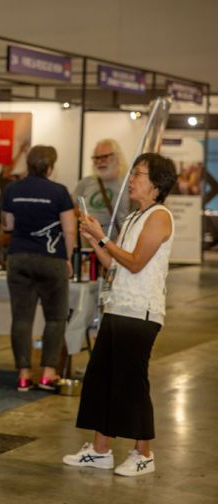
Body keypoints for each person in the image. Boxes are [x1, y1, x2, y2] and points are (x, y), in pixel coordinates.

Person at [63, 153, 177, 477]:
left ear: (156, 185)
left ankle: (144, 453)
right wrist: (94, 240)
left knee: (130, 383)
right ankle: (100, 449)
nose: (132, 180)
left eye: (139, 175)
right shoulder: (133, 218)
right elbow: (116, 264)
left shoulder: (160, 216)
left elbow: (137, 262)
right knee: (101, 379)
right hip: (117, 307)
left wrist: (102, 237)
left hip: (140, 313)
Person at [1, 145, 76, 392]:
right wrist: (68, 258)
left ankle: (23, 375)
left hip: (19, 257)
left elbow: (8, 225)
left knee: (22, 318)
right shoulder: (59, 192)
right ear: (50, 166)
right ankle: (48, 374)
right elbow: (69, 229)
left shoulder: (12, 190)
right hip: (51, 259)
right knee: (55, 317)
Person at [73, 139, 130, 242]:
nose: (99, 162)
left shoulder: (129, 182)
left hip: (117, 246)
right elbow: (73, 208)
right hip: (89, 245)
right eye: (96, 158)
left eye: (104, 157)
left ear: (118, 157)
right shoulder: (85, 183)